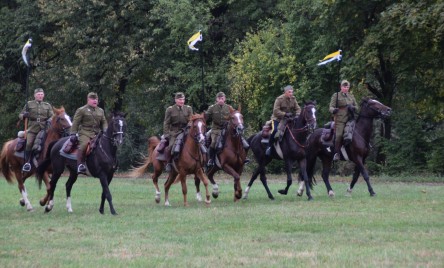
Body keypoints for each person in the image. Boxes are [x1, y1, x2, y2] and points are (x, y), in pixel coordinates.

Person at [205, 92, 250, 167]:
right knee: (213, 143)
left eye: (222, 98)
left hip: (227, 129)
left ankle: (244, 157)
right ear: (216, 99)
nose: (221, 100)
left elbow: (235, 115)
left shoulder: (229, 107)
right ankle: (211, 159)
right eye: (219, 98)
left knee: (244, 143)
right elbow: (206, 117)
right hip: (216, 129)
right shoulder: (212, 108)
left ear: (224, 99)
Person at [69, 92, 108, 174]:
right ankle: (80, 165)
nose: (95, 101)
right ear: (88, 100)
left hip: (97, 134)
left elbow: (104, 122)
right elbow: (75, 122)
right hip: (85, 133)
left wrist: (105, 130)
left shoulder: (100, 110)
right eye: (93, 99)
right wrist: (73, 133)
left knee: (107, 145)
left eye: (96, 99)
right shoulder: (82, 110)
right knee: (83, 145)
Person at [19, 88, 54, 172]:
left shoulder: (47, 105)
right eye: (38, 94)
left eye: (41, 94)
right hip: (33, 128)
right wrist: (24, 115)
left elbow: (52, 116)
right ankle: (27, 163)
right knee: (29, 143)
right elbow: (20, 115)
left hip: (45, 128)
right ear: (35, 95)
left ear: (44, 95)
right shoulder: (29, 104)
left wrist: (50, 120)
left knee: (51, 143)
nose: (40, 96)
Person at [157, 92, 193, 172]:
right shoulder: (170, 109)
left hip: (186, 131)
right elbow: (166, 122)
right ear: (176, 100)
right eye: (180, 99)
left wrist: (189, 125)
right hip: (174, 132)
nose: (182, 101)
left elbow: (191, 119)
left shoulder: (188, 108)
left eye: (183, 99)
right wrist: (166, 134)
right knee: (171, 146)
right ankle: (169, 163)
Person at [266, 85, 301, 156]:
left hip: (288, 119)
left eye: (292, 92)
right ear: (285, 92)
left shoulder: (293, 99)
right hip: (277, 119)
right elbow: (275, 111)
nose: (291, 94)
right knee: (275, 130)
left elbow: (298, 108)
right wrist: (285, 114)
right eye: (289, 92)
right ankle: (269, 147)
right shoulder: (279, 99)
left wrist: (297, 115)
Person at [329, 80, 358, 161]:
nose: (346, 88)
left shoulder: (351, 96)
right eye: (344, 87)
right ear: (341, 87)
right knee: (338, 136)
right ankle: (336, 153)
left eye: (347, 87)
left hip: (350, 119)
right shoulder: (336, 95)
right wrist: (334, 110)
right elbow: (331, 107)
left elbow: (357, 107)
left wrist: (352, 108)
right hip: (340, 120)